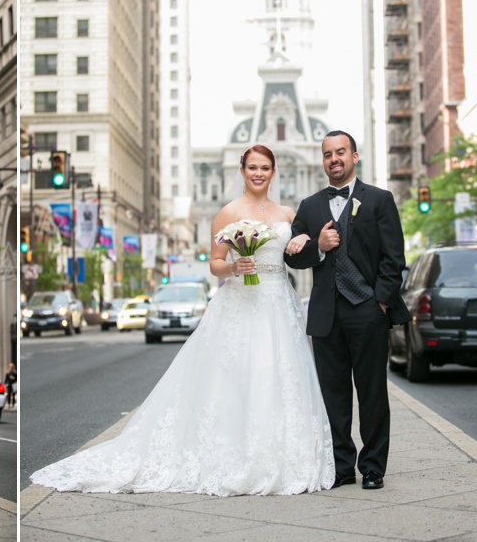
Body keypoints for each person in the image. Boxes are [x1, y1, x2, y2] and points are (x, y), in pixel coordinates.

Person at [30, 145, 334, 495]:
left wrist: (301, 239)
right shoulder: (227, 213)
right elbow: (215, 262)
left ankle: (281, 454)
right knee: (234, 377)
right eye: (252, 167)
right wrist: (234, 267)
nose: (258, 174)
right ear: (242, 170)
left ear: (273, 171)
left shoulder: (287, 212)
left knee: (277, 374)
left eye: (265, 167)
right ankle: (232, 452)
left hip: (279, 302)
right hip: (240, 300)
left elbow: (297, 249)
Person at [285, 130, 410, 490]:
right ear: (323, 161)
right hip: (326, 314)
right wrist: (318, 247)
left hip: (367, 310)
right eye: (327, 154)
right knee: (333, 396)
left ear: (355, 157)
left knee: (371, 393)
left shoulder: (380, 200)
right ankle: (342, 467)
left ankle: (372, 467)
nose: (334, 159)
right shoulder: (309, 206)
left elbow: (393, 259)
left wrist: (381, 303)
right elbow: (289, 255)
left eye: (341, 152)